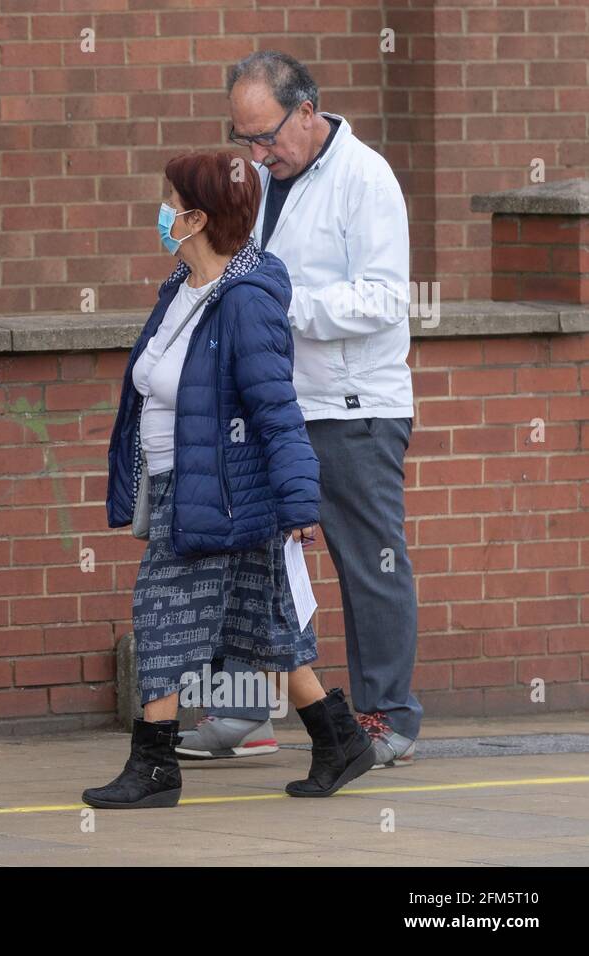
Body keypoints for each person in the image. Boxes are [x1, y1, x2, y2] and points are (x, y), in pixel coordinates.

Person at [84, 151, 375, 809]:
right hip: (185, 491)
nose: (162, 214)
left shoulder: (244, 302)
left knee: (160, 616)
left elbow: (276, 403)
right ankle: (340, 740)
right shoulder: (180, 290)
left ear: (197, 218)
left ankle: (154, 765)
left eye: (172, 204)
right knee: (268, 630)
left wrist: (301, 498)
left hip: (219, 497)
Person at [180, 52, 420, 769]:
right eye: (243, 136)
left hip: (352, 408)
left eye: (268, 136)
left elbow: (384, 299)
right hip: (271, 404)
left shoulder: (365, 178)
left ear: (308, 111)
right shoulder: (256, 178)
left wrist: (281, 310)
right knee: (250, 559)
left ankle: (387, 719)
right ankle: (244, 711)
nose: (256, 153)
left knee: (366, 560)